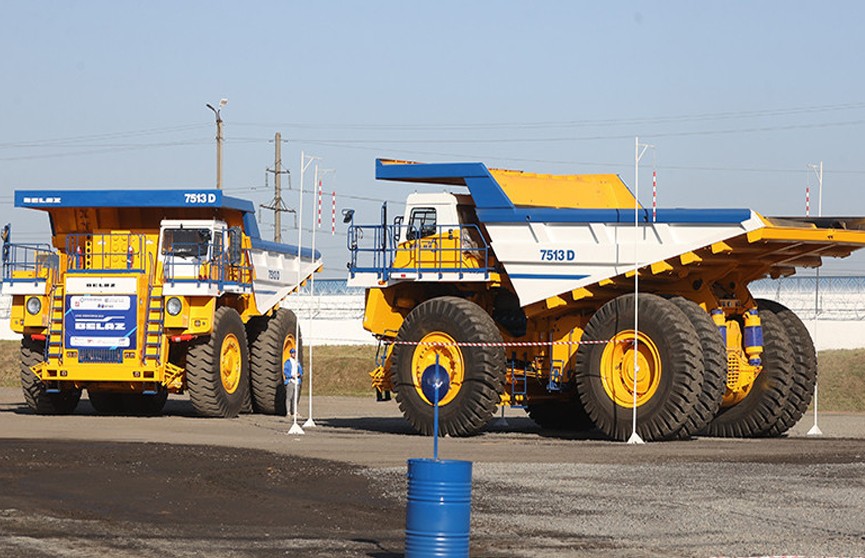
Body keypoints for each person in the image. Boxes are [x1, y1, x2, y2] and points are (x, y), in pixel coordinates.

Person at [283, 348, 303, 418]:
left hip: (297, 382)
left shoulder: (297, 362)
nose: (294, 354)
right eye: (292, 353)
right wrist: (291, 376)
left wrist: (299, 374)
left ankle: (295, 411)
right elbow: (285, 371)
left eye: (294, 353)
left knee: (295, 398)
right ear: (290, 354)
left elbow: (300, 370)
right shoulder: (288, 362)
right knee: (289, 397)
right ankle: (288, 412)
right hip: (290, 381)